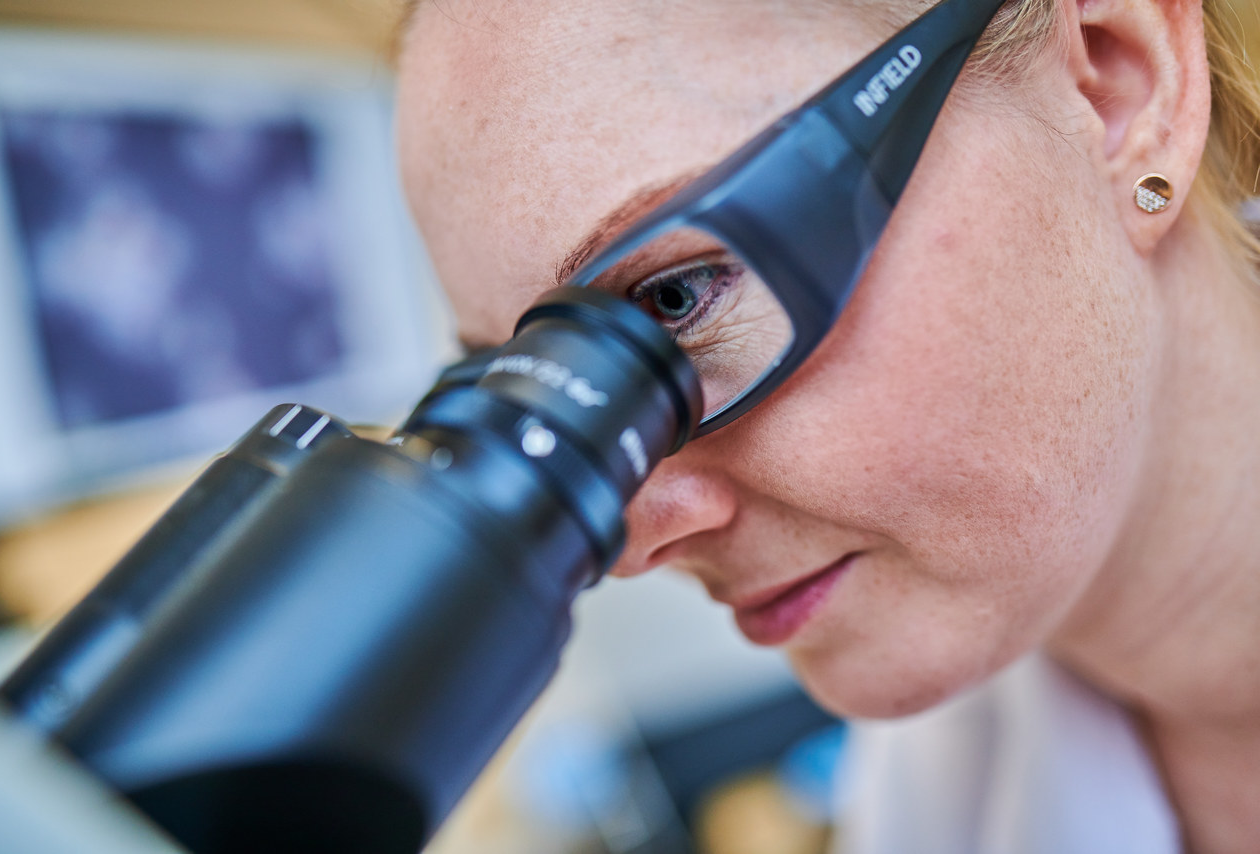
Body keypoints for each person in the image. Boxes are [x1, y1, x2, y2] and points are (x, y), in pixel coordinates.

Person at [392, 0, 1260, 850]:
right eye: (532, 392)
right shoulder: (935, 795)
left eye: (676, 298)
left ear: (1119, 95)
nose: (630, 541)